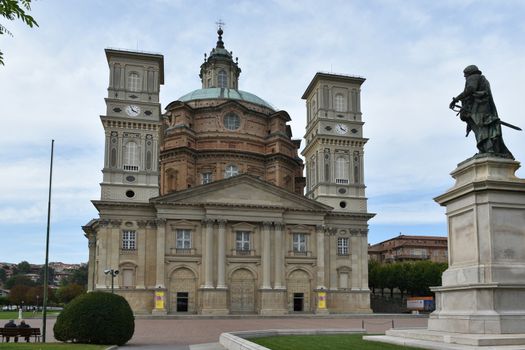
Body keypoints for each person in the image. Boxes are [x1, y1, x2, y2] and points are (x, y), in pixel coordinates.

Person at [449, 65, 513, 159]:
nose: (464, 77)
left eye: (465, 74)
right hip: (482, 108)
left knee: (481, 128)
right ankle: (486, 149)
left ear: (470, 72)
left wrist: (456, 99)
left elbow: (470, 89)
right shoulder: (483, 79)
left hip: (478, 109)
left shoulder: (473, 77)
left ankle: (488, 149)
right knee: (484, 128)